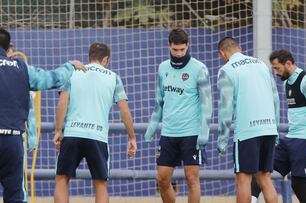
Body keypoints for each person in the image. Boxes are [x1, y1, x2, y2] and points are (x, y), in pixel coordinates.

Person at [0, 28, 85, 203]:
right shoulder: (22, 69)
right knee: (15, 195)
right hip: (12, 141)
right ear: (9, 48)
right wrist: (70, 66)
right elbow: (52, 78)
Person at [53, 43, 137, 203]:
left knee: (61, 179)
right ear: (106, 59)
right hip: (98, 136)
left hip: (72, 133)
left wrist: (58, 130)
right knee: (100, 184)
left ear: (89, 57)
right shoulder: (114, 77)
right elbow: (125, 112)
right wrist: (131, 137)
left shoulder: (73, 73)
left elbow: (62, 103)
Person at [144, 28, 212, 203]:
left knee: (192, 179)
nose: (179, 53)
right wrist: (152, 126)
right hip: (168, 133)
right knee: (163, 178)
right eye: (175, 50)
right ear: (169, 46)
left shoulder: (199, 68)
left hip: (191, 133)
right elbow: (159, 101)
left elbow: (207, 104)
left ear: (188, 46)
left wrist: (204, 133)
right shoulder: (162, 68)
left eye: (183, 49)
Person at [251, 49, 306, 203]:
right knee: (260, 171)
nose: (276, 73)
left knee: (298, 185)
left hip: (304, 142)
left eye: (277, 68)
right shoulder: (286, 83)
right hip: (290, 139)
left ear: (289, 64)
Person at [217, 37, 280, 203]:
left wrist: (222, 139)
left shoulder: (226, 69)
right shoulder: (262, 65)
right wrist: (276, 129)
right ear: (240, 47)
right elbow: (276, 99)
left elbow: (226, 109)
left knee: (243, 179)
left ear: (222, 53)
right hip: (269, 128)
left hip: (247, 131)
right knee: (265, 178)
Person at [7, 42, 38, 151]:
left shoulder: (20, 76)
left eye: (11, 57)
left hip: (14, 137)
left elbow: (30, 110)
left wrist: (32, 138)